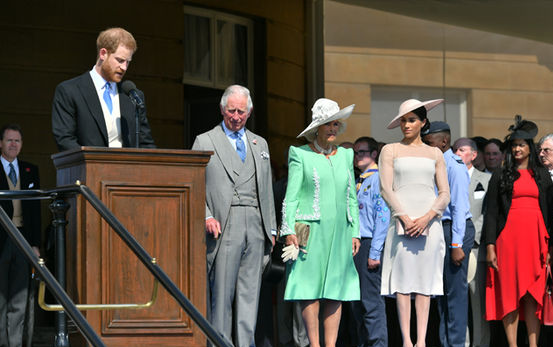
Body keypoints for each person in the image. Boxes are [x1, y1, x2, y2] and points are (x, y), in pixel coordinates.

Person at [191, 85, 277, 347]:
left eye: (241, 111)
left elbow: (267, 187)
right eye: (231, 111)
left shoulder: (259, 143)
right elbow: (194, 185)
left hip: (255, 225)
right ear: (221, 109)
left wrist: (271, 229)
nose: (236, 116)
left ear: (249, 112)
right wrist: (206, 216)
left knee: (250, 296)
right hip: (224, 224)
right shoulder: (204, 141)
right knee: (222, 295)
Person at [280, 98, 360, 347]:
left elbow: (351, 197)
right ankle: (314, 344)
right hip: (310, 231)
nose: (333, 129)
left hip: (341, 231)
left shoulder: (346, 155)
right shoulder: (299, 154)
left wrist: (355, 231)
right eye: (328, 124)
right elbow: (290, 197)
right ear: (317, 128)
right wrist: (288, 229)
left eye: (336, 124)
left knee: (337, 290)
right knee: (309, 289)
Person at [379, 99, 450, 347]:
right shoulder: (390, 150)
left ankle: (421, 341)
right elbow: (386, 189)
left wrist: (427, 218)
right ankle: (407, 341)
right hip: (401, 223)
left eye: (411, 120)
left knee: (424, 282)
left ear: (422, 122)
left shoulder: (435, 153)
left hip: (429, 225)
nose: (406, 125)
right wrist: (406, 218)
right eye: (403, 120)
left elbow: (444, 194)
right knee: (402, 282)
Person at [484, 116, 551, 347]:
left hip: (536, 241)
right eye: (514, 145)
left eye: (522, 144)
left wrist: (550, 247)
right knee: (509, 293)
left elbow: (550, 212)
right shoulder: (501, 175)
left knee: (534, 293)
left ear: (529, 148)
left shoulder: (542, 175)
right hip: (508, 242)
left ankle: (533, 344)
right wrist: (490, 246)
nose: (518, 148)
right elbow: (491, 213)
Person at [52, 27, 155, 151]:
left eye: (128, 62)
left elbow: (146, 143)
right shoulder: (70, 91)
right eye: (120, 60)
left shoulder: (133, 96)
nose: (124, 67)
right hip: (88, 168)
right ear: (103, 54)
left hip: (128, 169)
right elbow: (65, 140)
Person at [422, 122, 475, 347]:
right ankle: (445, 342)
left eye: (428, 141)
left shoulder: (453, 165)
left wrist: (456, 244)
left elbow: (460, 207)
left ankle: (456, 343)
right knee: (440, 293)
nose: (424, 145)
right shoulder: (434, 163)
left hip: (455, 229)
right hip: (439, 229)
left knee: (455, 294)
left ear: (444, 142)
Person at [0, 124, 41, 347]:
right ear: (0, 144)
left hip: (23, 239)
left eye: (17, 140)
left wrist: (35, 244)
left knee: (19, 297)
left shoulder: (30, 170)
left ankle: (14, 344)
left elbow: (35, 211)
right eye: (9, 140)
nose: (13, 144)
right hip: (1, 240)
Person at [452, 138, 491, 347]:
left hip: (475, 246)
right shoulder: (447, 178)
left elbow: (487, 212)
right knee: (457, 302)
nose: (457, 153)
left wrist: (470, 237)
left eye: (462, 149)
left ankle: (480, 343)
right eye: (455, 150)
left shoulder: (485, 180)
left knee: (478, 303)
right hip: (454, 248)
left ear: (473, 155)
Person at [352, 136, 390, 347]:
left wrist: (375, 252)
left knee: (371, 302)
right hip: (357, 245)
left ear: (374, 154)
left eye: (362, 152)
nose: (358, 157)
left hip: (369, 245)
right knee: (358, 304)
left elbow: (381, 217)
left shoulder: (377, 179)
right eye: (355, 153)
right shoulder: (359, 180)